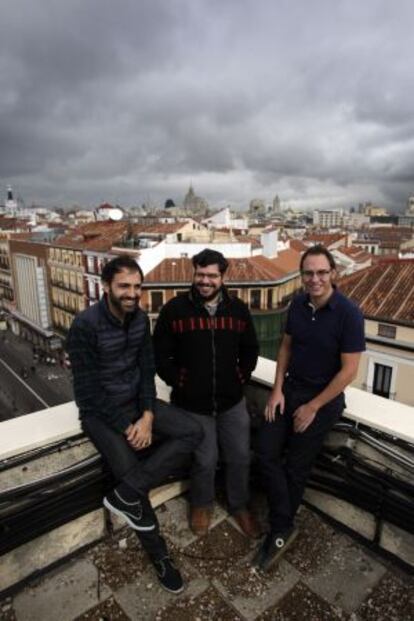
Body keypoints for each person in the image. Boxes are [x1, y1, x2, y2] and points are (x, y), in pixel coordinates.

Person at [66, 255, 203, 594]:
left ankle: (124, 495)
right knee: (131, 473)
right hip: (101, 414)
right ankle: (160, 557)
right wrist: (129, 428)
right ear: (106, 287)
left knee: (193, 430)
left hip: (136, 405)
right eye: (124, 286)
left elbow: (146, 370)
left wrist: (147, 416)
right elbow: (87, 393)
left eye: (137, 286)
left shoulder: (141, 319)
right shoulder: (85, 326)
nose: (132, 293)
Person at [253, 245, 365, 571]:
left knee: (296, 466)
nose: (314, 279)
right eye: (308, 273)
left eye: (321, 272)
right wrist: (276, 390)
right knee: (264, 451)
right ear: (302, 276)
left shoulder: (349, 313)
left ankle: (279, 529)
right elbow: (286, 346)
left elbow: (349, 371)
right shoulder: (298, 304)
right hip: (290, 390)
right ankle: (285, 521)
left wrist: (313, 406)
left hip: (323, 400)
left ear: (333, 273)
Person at [153, 249, 260, 538]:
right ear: (193, 274)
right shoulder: (174, 310)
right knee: (205, 459)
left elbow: (250, 349)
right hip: (192, 404)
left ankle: (239, 505)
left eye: (212, 275)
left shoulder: (238, 310)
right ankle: (201, 504)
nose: (205, 281)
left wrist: (239, 377)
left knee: (240, 456)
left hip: (231, 401)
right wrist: (181, 381)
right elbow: (160, 355)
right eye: (200, 274)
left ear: (223, 277)